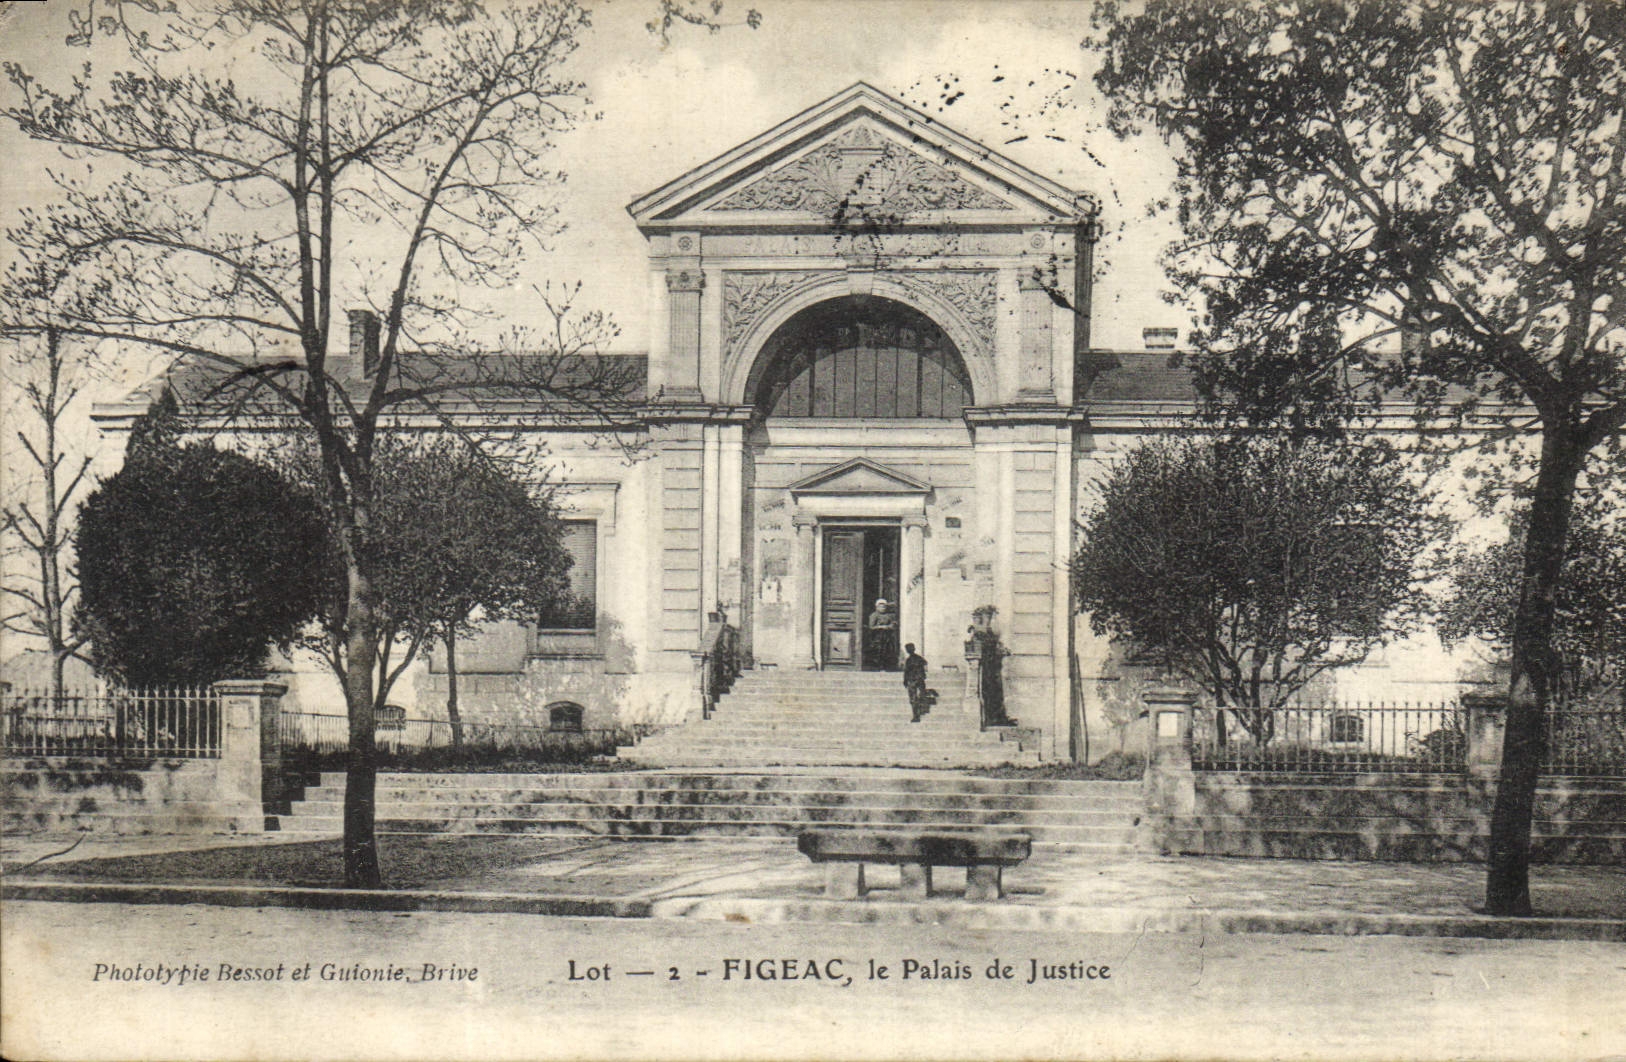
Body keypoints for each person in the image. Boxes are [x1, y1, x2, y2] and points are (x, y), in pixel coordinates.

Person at [866, 598, 898, 670]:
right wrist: (881, 627)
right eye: (881, 607)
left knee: (887, 650)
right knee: (878, 651)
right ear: (877, 607)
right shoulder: (874, 615)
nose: (883, 608)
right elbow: (871, 627)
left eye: (884, 607)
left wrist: (891, 625)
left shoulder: (888, 615)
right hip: (877, 636)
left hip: (886, 636)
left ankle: (886, 666)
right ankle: (877, 666)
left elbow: (893, 623)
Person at [903, 642, 929, 721]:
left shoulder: (909, 660)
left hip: (913, 680)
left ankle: (916, 715)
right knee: (919, 696)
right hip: (919, 679)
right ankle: (919, 712)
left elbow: (906, 671)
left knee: (913, 698)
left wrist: (905, 680)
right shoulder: (919, 658)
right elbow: (925, 663)